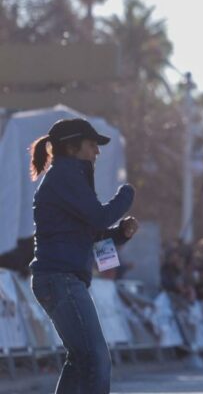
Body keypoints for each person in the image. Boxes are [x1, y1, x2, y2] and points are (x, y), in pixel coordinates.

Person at [28, 118, 139, 394]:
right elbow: (99, 217)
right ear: (72, 147)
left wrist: (120, 234)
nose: (97, 152)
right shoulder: (65, 177)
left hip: (59, 279)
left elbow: (91, 231)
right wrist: (127, 194)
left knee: (81, 359)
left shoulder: (71, 178)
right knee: (96, 358)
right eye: (92, 145)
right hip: (60, 279)